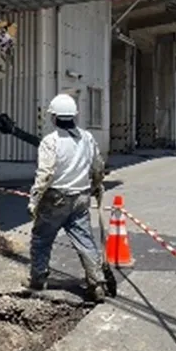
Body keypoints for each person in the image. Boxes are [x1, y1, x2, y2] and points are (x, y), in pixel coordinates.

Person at [27, 94, 106, 302]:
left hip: (56, 198)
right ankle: (96, 283)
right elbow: (98, 166)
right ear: (75, 116)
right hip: (81, 196)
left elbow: (44, 174)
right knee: (84, 239)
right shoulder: (87, 138)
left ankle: (38, 279)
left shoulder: (50, 141)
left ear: (53, 117)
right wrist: (97, 186)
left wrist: (34, 200)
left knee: (42, 239)